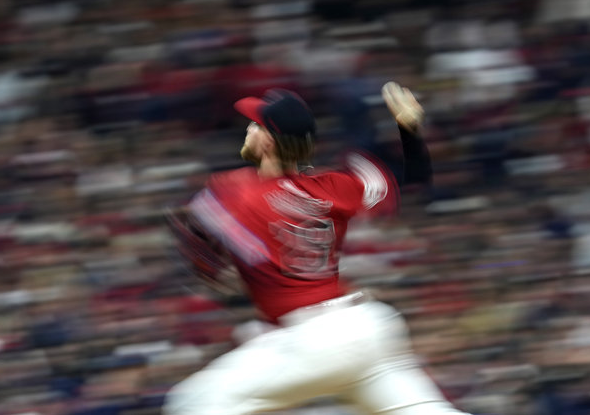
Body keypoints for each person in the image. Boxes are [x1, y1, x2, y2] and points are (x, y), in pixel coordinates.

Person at [163, 83, 471, 415]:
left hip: (312, 340)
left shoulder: (232, 190)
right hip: (369, 330)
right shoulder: (338, 187)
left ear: (267, 141)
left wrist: (202, 254)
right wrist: (408, 129)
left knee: (193, 403)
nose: (249, 129)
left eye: (255, 124)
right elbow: (415, 179)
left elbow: (203, 250)